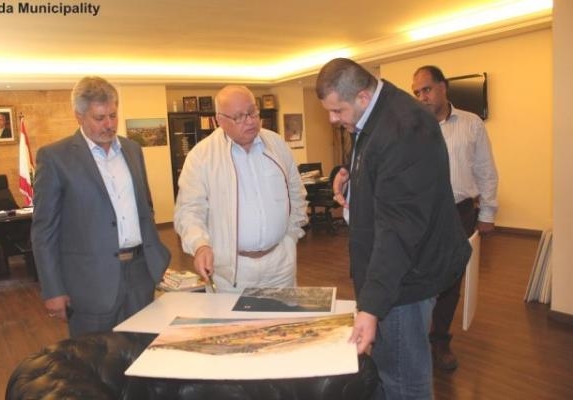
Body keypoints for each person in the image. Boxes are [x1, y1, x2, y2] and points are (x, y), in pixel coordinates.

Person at [316, 58, 471, 399]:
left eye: (337, 110)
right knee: (388, 371)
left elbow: (399, 229)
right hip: (391, 272)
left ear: (362, 96)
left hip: (406, 278)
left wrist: (371, 307)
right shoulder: (375, 112)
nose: (332, 119)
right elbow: (373, 157)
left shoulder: (404, 129)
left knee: (403, 380)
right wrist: (349, 173)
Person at [31, 76, 171, 337]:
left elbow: (145, 207)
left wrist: (156, 257)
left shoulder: (132, 149)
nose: (109, 124)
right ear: (79, 116)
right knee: (94, 354)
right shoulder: (55, 158)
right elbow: (44, 231)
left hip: (140, 273)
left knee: (143, 348)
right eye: (99, 118)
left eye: (113, 115)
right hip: (89, 282)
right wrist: (53, 289)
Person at [174, 85, 308, 293]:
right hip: (232, 272)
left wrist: (291, 236)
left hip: (280, 264)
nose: (250, 121)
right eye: (239, 117)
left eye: (253, 112)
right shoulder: (201, 157)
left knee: (283, 314)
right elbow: (189, 211)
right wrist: (200, 245)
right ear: (220, 120)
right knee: (233, 316)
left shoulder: (277, 145)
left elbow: (296, 194)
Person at [412, 65, 499, 371]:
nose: (422, 97)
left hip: (459, 213)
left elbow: (486, 171)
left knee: (451, 281)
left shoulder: (471, 124)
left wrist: (487, 213)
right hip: (422, 216)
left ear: (443, 87)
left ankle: (439, 341)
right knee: (421, 278)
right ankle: (417, 339)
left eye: (426, 89)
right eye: (417, 92)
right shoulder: (412, 127)